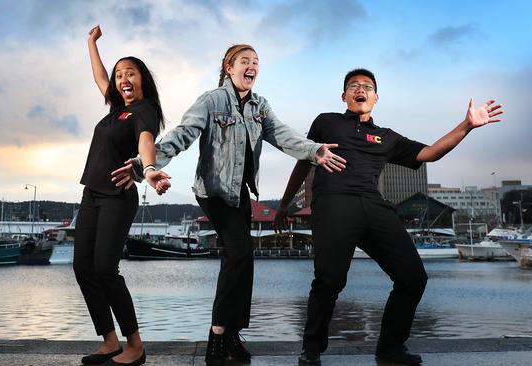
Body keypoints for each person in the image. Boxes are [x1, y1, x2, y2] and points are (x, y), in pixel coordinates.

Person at [110, 44, 346, 365]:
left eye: (256, 62)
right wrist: (143, 165)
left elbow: (283, 135)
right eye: (245, 61)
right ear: (228, 67)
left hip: (240, 194)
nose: (252, 66)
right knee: (240, 252)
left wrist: (314, 150)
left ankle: (233, 335)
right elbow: (181, 135)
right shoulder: (211, 101)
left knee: (242, 259)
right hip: (214, 192)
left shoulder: (260, 107)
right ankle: (218, 337)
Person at [274, 68, 503, 365]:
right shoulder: (325, 122)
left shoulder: (387, 137)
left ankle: (390, 347)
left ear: (376, 97)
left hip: (373, 205)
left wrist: (467, 125)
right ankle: (312, 349)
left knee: (413, 277)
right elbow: (304, 161)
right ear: (344, 96)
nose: (360, 90)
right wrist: (284, 205)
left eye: (367, 86)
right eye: (353, 86)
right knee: (329, 280)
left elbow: (431, 153)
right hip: (334, 203)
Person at [74, 25, 168, 366]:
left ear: (142, 79)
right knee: (82, 267)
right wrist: (91, 43)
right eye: (119, 74)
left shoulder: (145, 110)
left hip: (117, 197)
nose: (122, 78)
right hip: (91, 194)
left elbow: (146, 140)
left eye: (130, 72)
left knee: (105, 269)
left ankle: (135, 344)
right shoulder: (116, 107)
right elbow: (99, 76)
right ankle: (110, 341)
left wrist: (149, 168)